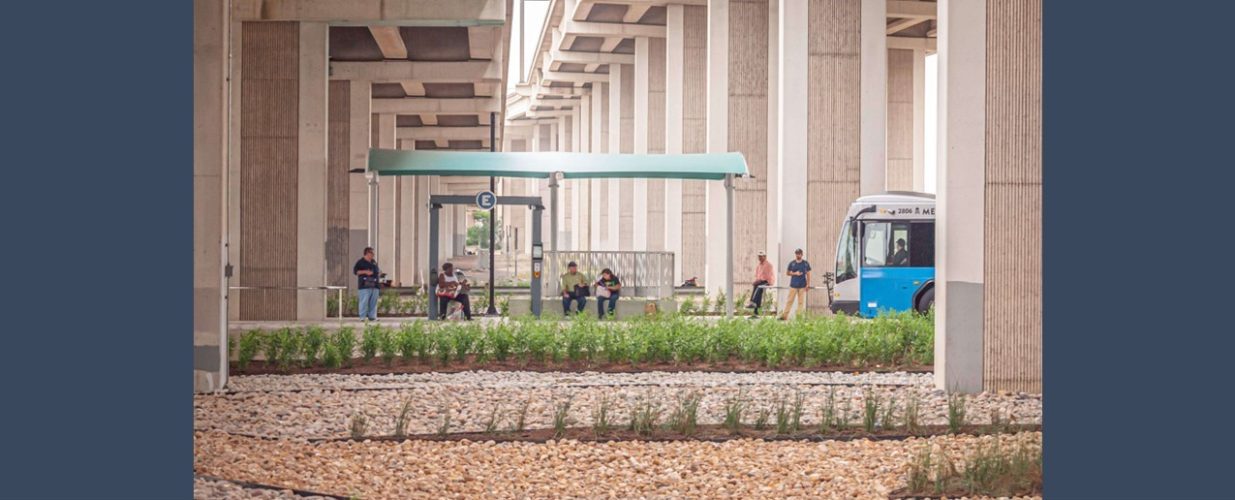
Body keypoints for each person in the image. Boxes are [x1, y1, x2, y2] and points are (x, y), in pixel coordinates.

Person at [779, 248, 812, 320]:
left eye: (799, 254)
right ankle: (784, 316)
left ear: (802, 254)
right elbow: (787, 273)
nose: (798, 255)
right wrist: (795, 273)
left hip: (802, 286)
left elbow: (808, 274)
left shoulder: (805, 263)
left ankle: (799, 317)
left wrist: (808, 284)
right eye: (797, 253)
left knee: (801, 302)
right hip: (793, 285)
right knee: (789, 301)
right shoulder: (792, 263)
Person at [353, 247, 381, 321]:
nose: (373, 254)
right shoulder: (360, 262)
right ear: (367, 253)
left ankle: (372, 317)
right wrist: (365, 272)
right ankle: (362, 317)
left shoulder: (373, 261)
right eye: (372, 253)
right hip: (364, 285)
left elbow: (377, 270)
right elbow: (356, 272)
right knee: (364, 301)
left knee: (373, 302)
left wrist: (379, 273)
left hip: (375, 285)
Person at [746, 251, 775, 318]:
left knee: (759, 288)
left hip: (767, 281)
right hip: (760, 281)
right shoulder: (758, 266)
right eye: (759, 256)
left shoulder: (768, 265)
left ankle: (753, 303)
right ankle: (754, 308)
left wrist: (759, 281)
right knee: (756, 287)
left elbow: (768, 276)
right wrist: (756, 281)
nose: (760, 258)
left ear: (765, 257)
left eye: (761, 256)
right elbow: (757, 276)